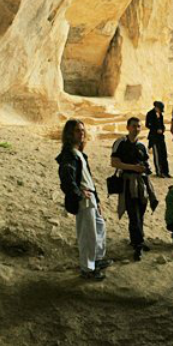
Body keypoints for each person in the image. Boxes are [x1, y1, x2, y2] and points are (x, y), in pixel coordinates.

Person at [56, 119, 110, 281]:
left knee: (99, 227)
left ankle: (97, 260)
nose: (82, 133)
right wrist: (78, 194)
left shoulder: (79, 153)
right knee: (88, 234)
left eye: (83, 130)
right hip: (84, 199)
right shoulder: (69, 155)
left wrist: (98, 199)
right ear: (70, 134)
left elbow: (89, 178)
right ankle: (87, 269)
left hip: (90, 196)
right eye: (78, 130)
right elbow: (66, 179)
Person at [111, 117, 157, 261]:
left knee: (140, 211)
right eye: (134, 126)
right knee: (133, 213)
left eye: (138, 126)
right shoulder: (121, 143)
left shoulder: (142, 146)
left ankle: (136, 240)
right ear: (128, 127)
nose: (136, 128)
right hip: (127, 182)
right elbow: (114, 162)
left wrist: (144, 168)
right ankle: (138, 244)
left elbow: (146, 162)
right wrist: (133, 168)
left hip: (141, 182)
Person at [145, 101, 170, 178]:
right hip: (154, 137)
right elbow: (147, 125)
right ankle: (159, 172)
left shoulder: (160, 114)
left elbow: (161, 124)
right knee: (157, 155)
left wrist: (163, 129)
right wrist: (156, 129)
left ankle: (166, 172)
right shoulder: (150, 114)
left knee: (164, 154)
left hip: (161, 137)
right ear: (156, 107)